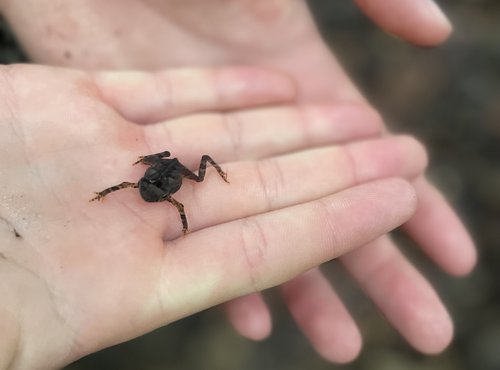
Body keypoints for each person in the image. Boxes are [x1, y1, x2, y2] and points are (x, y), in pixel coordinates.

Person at [0, 0, 477, 366]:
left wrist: (164, 187)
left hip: (152, 187)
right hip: (154, 189)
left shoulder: (165, 175)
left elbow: (162, 183)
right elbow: (170, 191)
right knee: (157, 199)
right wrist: (176, 195)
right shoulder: (171, 179)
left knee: (148, 195)